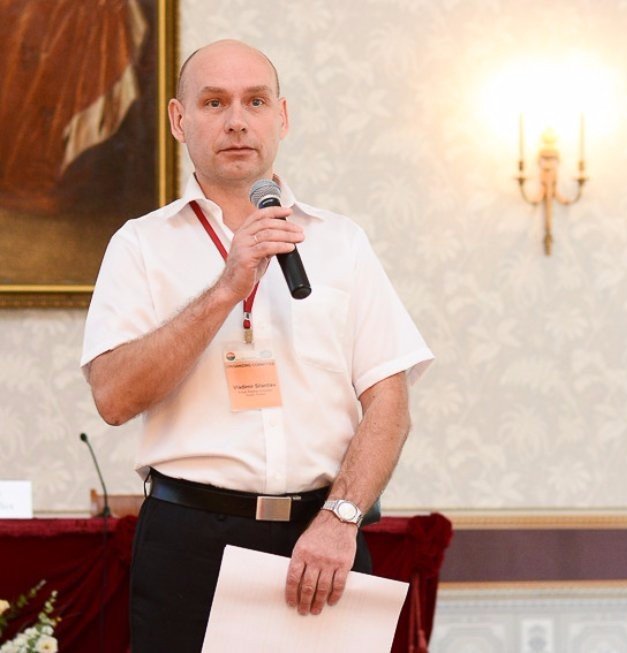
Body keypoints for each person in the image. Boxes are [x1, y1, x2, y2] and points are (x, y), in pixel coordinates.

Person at [80, 39, 433, 652]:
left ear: (282, 117)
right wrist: (226, 288)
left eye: (256, 101)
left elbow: (390, 403)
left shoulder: (341, 242)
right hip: (190, 542)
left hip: (323, 539)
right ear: (179, 120)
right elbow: (113, 398)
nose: (237, 121)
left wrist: (341, 517)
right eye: (214, 102)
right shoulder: (139, 245)